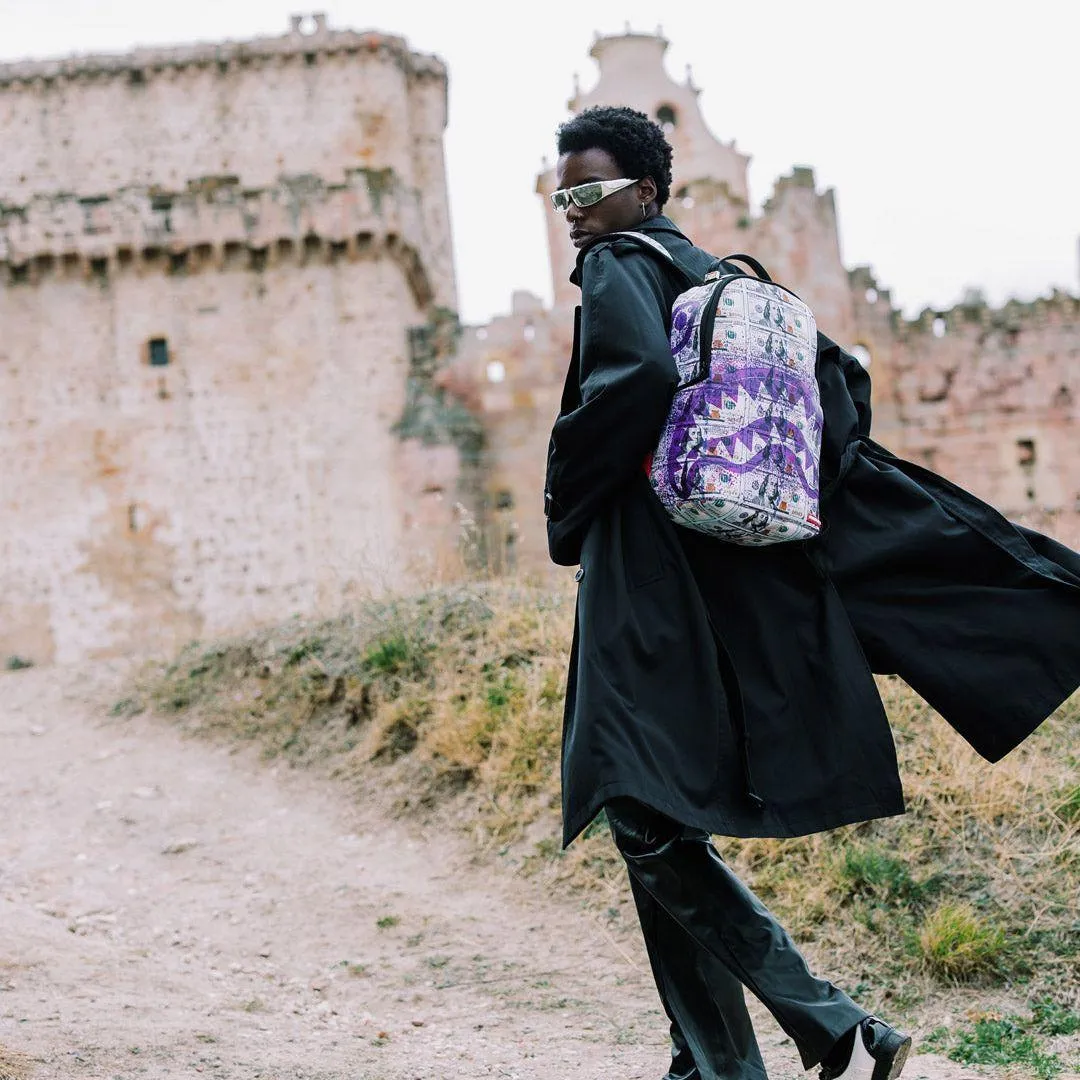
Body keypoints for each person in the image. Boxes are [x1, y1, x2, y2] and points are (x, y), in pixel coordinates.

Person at [543, 105, 1080, 1080]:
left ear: (644, 192)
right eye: (561, 194)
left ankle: (831, 1022)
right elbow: (840, 396)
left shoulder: (619, 264)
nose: (572, 210)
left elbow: (629, 383)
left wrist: (561, 499)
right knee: (650, 813)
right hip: (713, 591)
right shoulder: (724, 277)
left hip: (643, 586)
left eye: (589, 190)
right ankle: (715, 1062)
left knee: (641, 812)